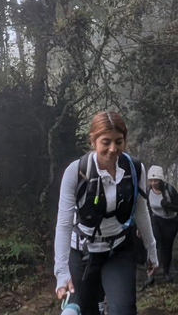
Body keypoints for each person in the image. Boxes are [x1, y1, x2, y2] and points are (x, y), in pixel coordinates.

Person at [54, 111, 158, 315]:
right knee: (85, 310)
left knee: (123, 310)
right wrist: (61, 271)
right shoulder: (75, 172)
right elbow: (64, 224)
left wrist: (151, 250)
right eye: (106, 142)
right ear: (93, 141)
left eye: (119, 141)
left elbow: (141, 212)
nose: (113, 149)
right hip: (82, 252)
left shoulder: (135, 169)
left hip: (118, 250)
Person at [145, 165, 178, 285]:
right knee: (153, 246)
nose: (153, 183)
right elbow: (146, 208)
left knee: (166, 248)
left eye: (156, 180)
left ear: (161, 180)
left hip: (170, 222)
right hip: (156, 220)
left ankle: (166, 271)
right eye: (151, 180)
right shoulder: (148, 191)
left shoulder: (170, 190)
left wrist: (169, 206)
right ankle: (150, 275)